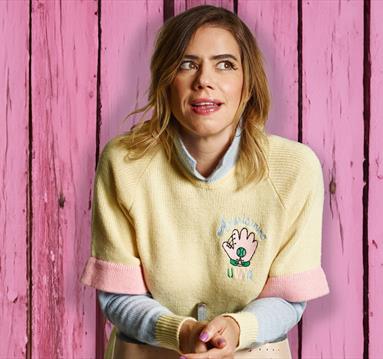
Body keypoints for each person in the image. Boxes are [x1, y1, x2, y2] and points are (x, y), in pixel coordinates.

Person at [81, 5, 330, 359]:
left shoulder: (295, 170)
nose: (204, 80)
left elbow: (287, 298)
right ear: (166, 80)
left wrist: (236, 329)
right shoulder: (124, 163)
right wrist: (180, 332)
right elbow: (119, 297)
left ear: (248, 84)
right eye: (187, 64)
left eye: (225, 64)